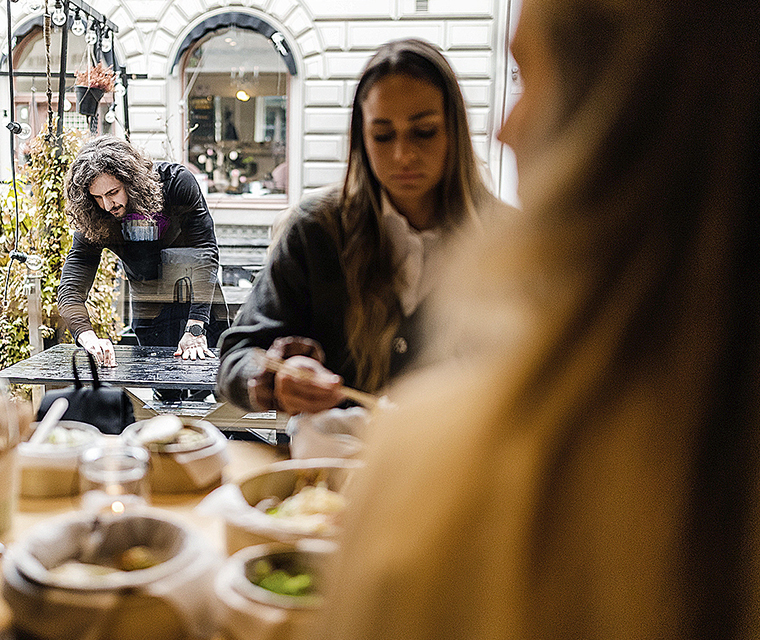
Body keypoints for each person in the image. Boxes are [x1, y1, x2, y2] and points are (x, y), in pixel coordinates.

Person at [318, 0, 760, 638]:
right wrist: (266, 371)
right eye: (381, 134)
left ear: (622, 109)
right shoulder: (317, 233)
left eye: (528, 78)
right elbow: (241, 354)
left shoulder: (432, 469)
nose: (508, 128)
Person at [216, 38, 501, 415]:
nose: (403, 154)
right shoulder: (315, 230)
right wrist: (274, 377)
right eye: (382, 136)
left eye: (424, 131)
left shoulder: (509, 239)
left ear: (456, 131)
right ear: (361, 140)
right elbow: (235, 359)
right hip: (335, 467)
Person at [58, 135, 227, 381]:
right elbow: (71, 288)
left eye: (113, 192)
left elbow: (205, 253)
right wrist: (87, 336)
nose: (107, 205)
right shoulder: (95, 216)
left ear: (130, 181)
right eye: (97, 197)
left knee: (219, 385)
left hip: (201, 300)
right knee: (163, 392)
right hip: (151, 308)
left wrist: (195, 326)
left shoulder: (176, 183)